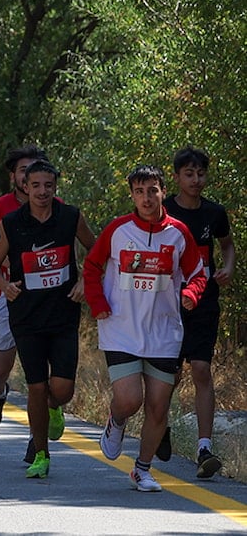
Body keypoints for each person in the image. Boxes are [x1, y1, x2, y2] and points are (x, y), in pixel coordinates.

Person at [84, 164, 208, 492]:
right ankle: (117, 419)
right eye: (139, 192)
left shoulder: (179, 232)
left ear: (163, 192)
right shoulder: (117, 230)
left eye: (152, 190)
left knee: (158, 406)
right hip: (120, 328)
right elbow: (92, 266)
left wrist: (191, 294)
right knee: (129, 400)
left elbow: (199, 273)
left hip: (164, 332)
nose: (146, 198)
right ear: (132, 196)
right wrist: (98, 304)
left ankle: (142, 469)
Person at [0, 160, 95, 478]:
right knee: (35, 387)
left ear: (55, 186)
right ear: (25, 187)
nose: (42, 191)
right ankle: (41, 455)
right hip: (27, 316)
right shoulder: (13, 222)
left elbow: (97, 249)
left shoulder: (70, 217)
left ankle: (55, 407)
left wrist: (85, 281)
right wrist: (5, 286)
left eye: (48, 185)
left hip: (62, 314)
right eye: (36, 185)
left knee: (62, 389)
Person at [163, 146, 235, 479]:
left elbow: (226, 245)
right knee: (171, 375)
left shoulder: (214, 212)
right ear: (176, 177)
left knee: (202, 369)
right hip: (168, 303)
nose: (196, 180)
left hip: (204, 299)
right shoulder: (162, 211)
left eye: (201, 173)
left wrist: (228, 268)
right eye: (189, 174)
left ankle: (204, 447)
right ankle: (157, 425)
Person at [0, 145, 49, 435]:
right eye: (24, 170)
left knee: (39, 374)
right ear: (14, 176)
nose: (29, 176)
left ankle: (38, 438)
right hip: (6, 295)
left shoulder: (54, 206)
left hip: (45, 298)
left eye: (35, 169)